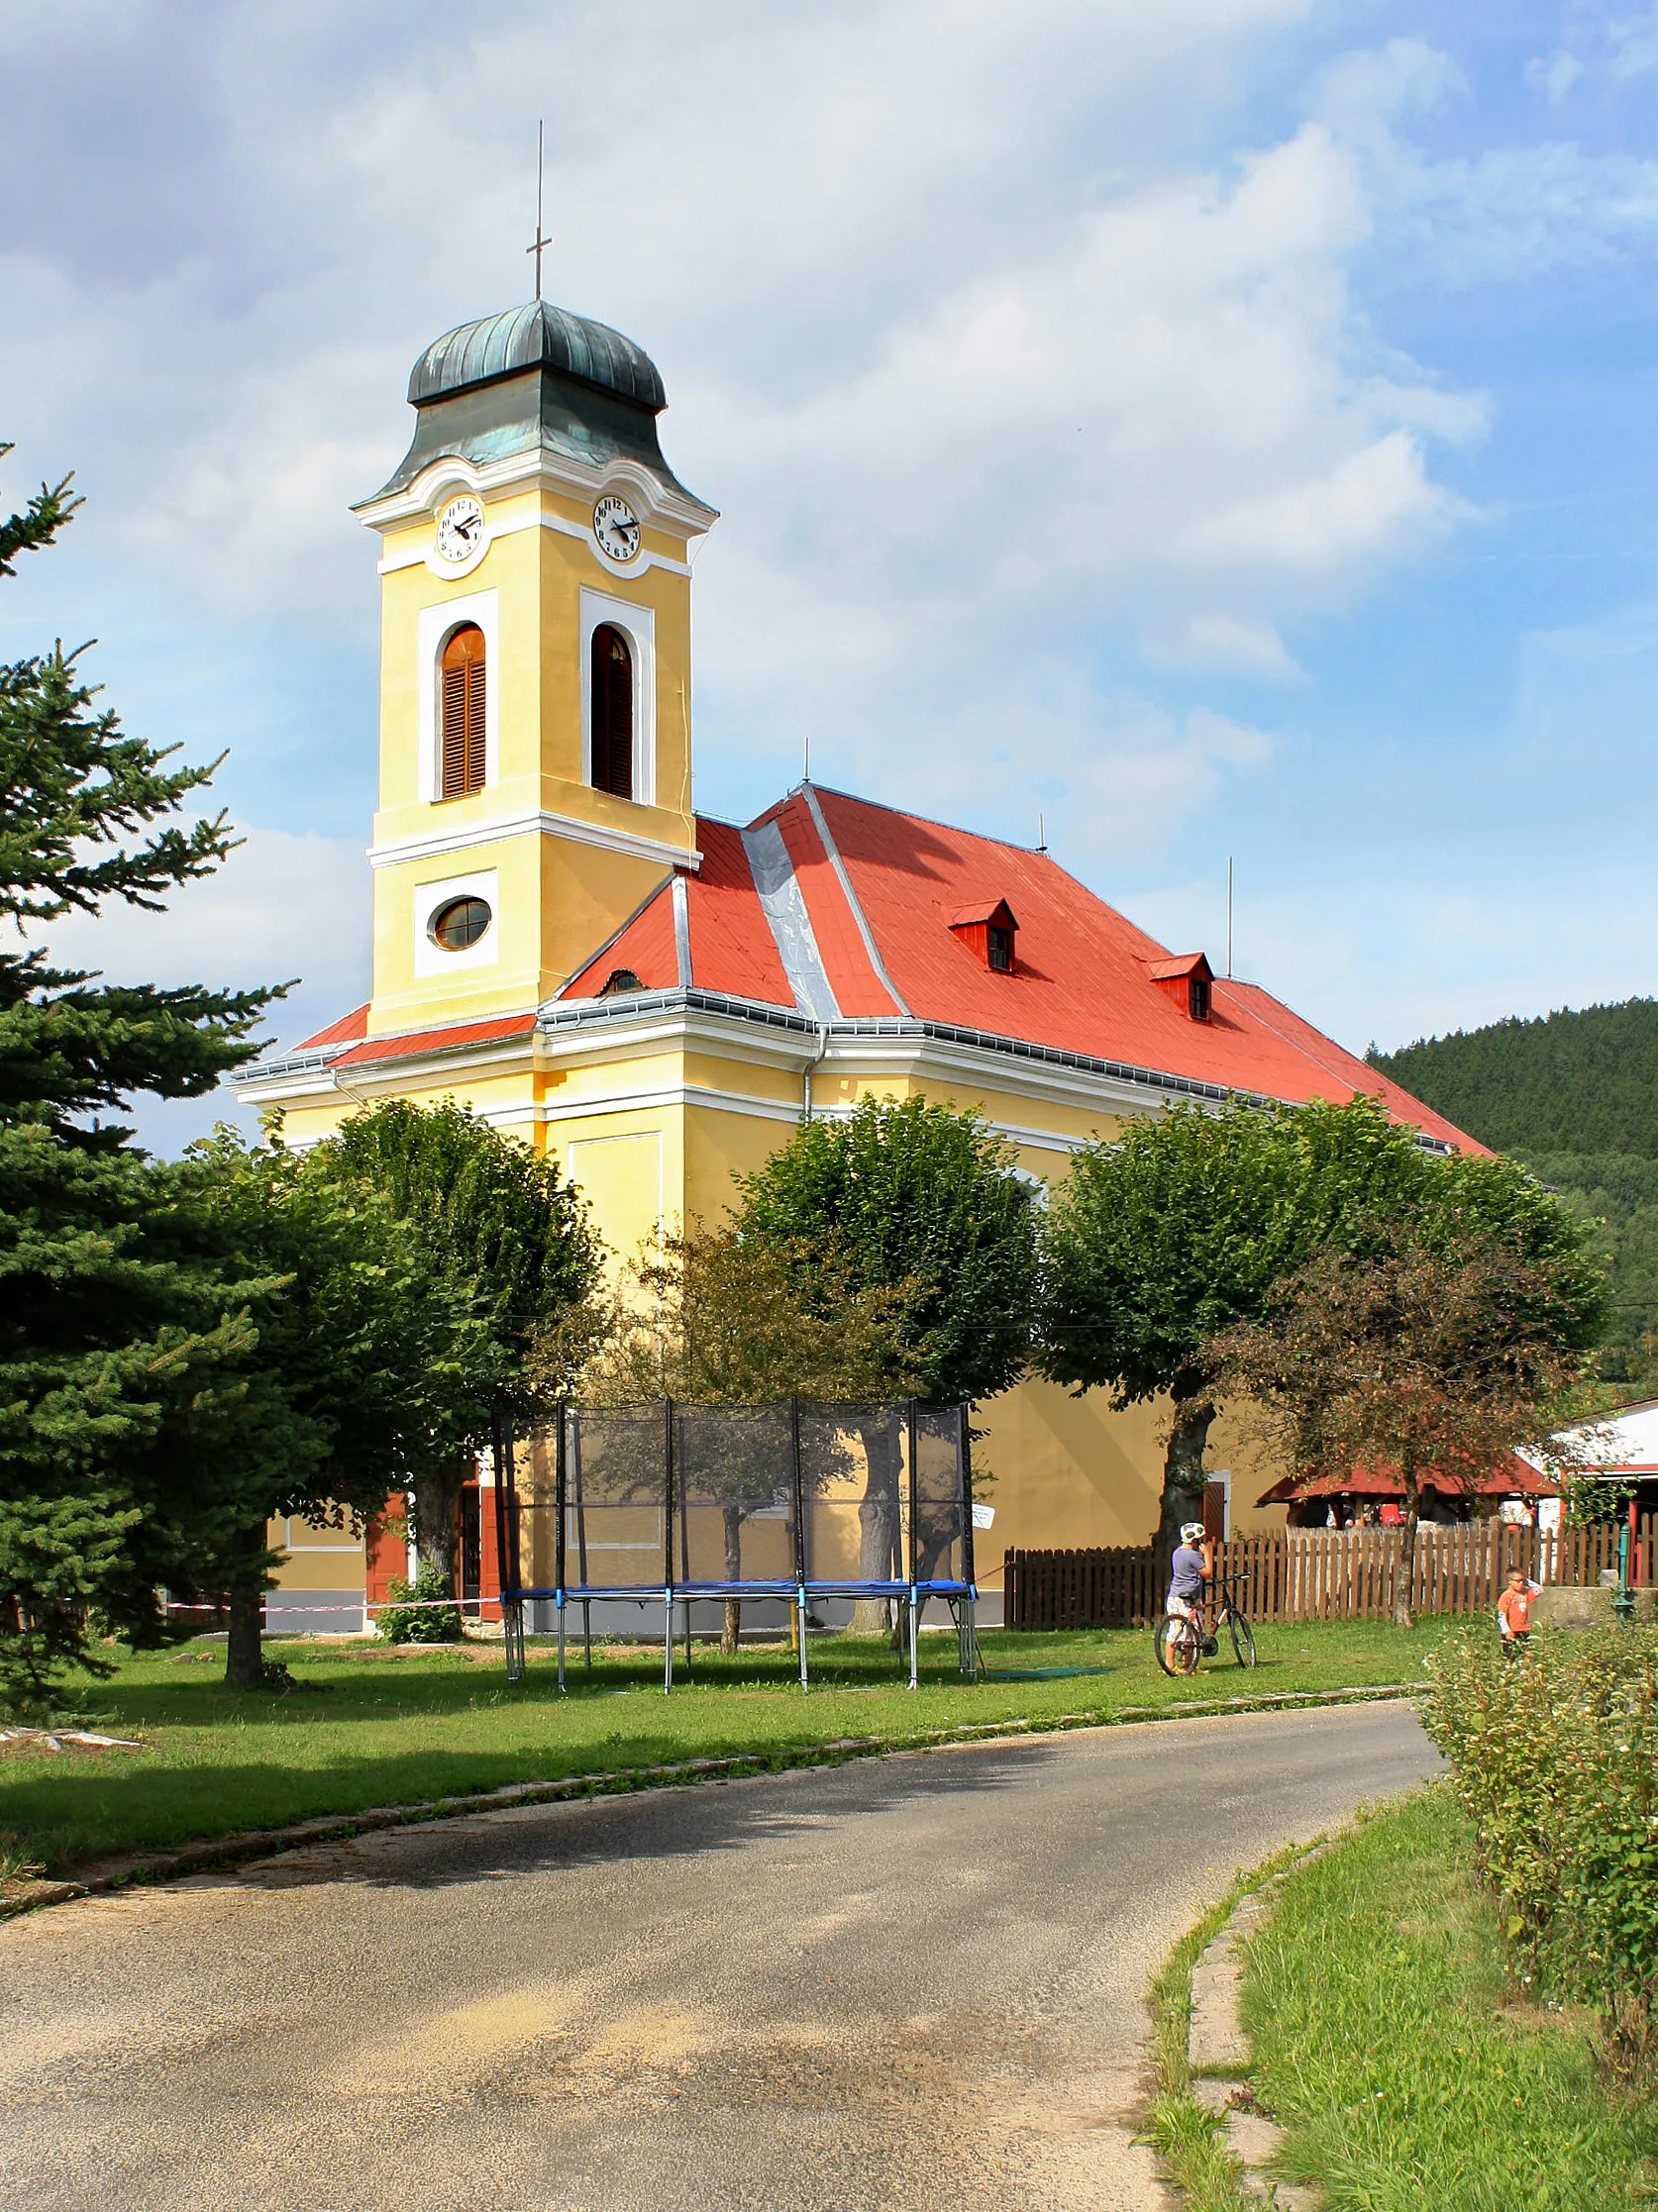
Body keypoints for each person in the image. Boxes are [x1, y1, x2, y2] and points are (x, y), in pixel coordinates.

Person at [1166, 1520, 1211, 1659]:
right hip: (1187, 1598)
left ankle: (1171, 1664)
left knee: (1176, 1628)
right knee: (1191, 1631)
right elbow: (1208, 1573)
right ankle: (1186, 1664)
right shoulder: (1193, 1555)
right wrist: (1207, 1553)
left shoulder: (1177, 1553)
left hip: (1175, 1596)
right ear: (1194, 1540)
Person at [1496, 1566, 1541, 1659]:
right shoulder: (1506, 1596)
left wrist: (1526, 1581)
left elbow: (1539, 1590)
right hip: (1512, 1631)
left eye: (1522, 1581)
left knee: (1525, 1654)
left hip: (1523, 1629)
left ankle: (1523, 1672)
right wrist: (1506, 1630)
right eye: (1518, 1581)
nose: (1521, 1583)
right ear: (1509, 1581)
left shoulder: (1524, 1593)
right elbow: (1502, 1615)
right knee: (1510, 1655)